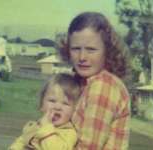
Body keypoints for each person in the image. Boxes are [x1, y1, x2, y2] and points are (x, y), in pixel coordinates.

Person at [59, 11, 131, 150]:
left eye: (91, 50)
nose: (82, 57)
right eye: (75, 49)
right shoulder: (82, 83)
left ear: (107, 51)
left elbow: (88, 147)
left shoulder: (104, 86)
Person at [8, 73, 81, 150]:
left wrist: (46, 127)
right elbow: (21, 141)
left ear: (74, 110)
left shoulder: (69, 133)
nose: (58, 107)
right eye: (52, 101)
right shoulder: (36, 125)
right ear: (41, 105)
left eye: (65, 103)